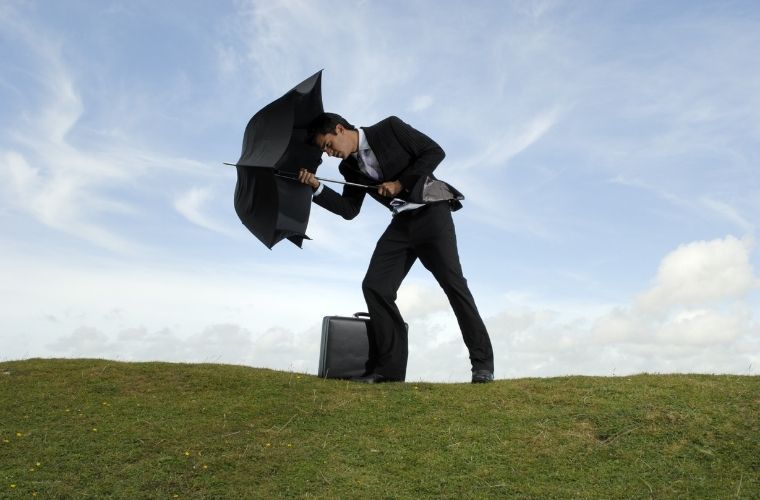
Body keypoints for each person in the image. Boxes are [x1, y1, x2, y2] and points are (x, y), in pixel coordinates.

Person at [298, 113, 494, 384]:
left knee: (453, 285)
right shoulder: (349, 169)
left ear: (340, 129)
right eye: (324, 150)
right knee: (375, 286)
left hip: (432, 214)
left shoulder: (389, 128)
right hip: (402, 224)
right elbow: (349, 210)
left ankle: (482, 364)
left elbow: (434, 151)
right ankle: (389, 372)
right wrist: (316, 188)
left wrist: (401, 183)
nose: (329, 154)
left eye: (328, 145)